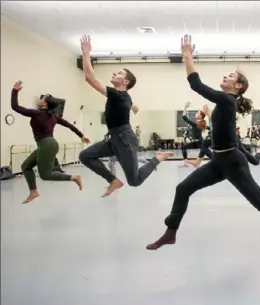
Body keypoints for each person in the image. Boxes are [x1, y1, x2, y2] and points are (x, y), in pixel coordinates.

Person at [146, 34, 260, 250]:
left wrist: (187, 56)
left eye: (230, 76)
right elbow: (221, 131)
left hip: (234, 164)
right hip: (219, 161)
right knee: (183, 188)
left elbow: (196, 85)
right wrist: (204, 121)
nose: (225, 77)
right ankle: (170, 233)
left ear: (239, 85)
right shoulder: (224, 104)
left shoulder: (227, 100)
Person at [77, 35, 173, 197]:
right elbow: (130, 103)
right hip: (114, 138)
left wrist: (86, 52)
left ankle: (157, 158)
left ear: (126, 82)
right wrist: (134, 106)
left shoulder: (117, 95)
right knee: (85, 155)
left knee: (134, 181)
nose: (115, 73)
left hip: (125, 139)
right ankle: (113, 180)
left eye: (120, 73)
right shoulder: (124, 97)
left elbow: (89, 78)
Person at [11, 81, 89, 203]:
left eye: (43, 98)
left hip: (46, 144)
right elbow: (69, 125)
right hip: (47, 144)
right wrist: (81, 135)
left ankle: (74, 178)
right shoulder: (53, 117)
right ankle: (33, 191)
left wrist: (14, 91)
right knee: (25, 166)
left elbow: (15, 107)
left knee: (45, 175)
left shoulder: (37, 113)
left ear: (45, 104)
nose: (41, 99)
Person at [179, 101, 210, 167]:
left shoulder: (197, 124)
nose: (196, 114)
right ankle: (185, 163)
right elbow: (209, 128)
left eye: (197, 113)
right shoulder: (199, 124)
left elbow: (184, 117)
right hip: (196, 143)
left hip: (201, 143)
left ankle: (222, 165)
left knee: (210, 155)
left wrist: (185, 107)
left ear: (201, 116)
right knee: (183, 147)